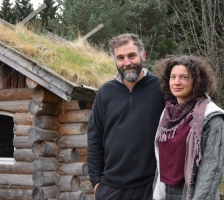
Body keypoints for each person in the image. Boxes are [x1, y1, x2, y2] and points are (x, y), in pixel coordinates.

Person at [87, 33, 165, 200]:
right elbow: (95, 139)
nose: (127, 63)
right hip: (111, 189)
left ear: (143, 55)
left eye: (131, 56)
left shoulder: (161, 89)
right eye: (120, 58)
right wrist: (96, 183)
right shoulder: (104, 93)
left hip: (150, 187)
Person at [153, 55, 224, 200]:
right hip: (165, 192)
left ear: (196, 81)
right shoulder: (167, 113)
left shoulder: (211, 117)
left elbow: (211, 171)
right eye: (173, 77)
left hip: (193, 194)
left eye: (184, 77)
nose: (176, 82)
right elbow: (160, 163)